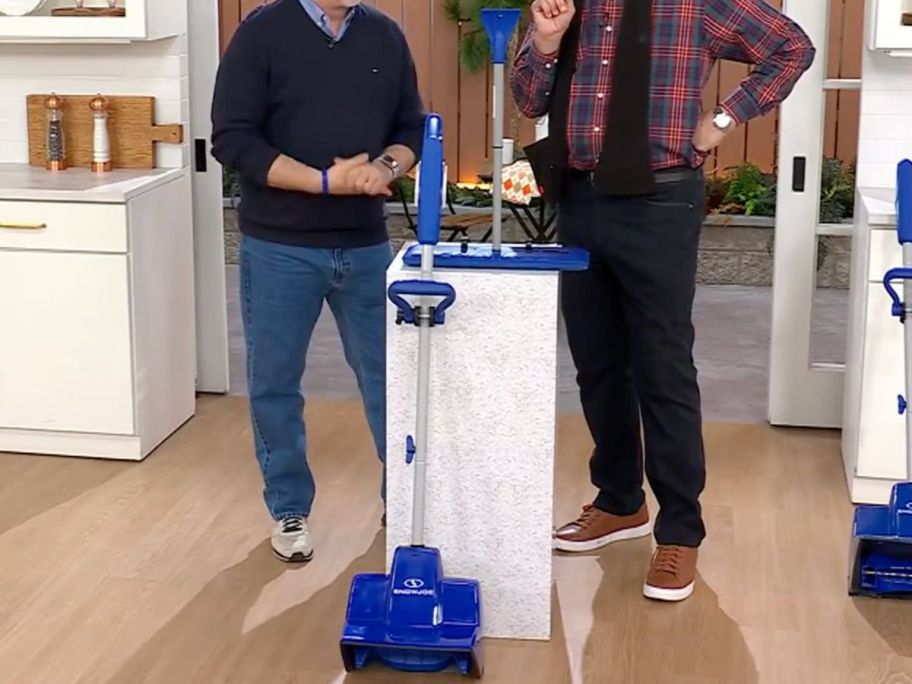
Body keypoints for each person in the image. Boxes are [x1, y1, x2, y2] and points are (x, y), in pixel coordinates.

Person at [511, 0, 814, 601]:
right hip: (580, 199)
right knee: (597, 364)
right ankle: (620, 502)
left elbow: (791, 47)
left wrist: (722, 120)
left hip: (660, 201)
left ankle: (680, 529)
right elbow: (529, 98)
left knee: (662, 367)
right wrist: (545, 42)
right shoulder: (563, 4)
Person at [211, 0, 424, 563]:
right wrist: (324, 182)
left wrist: (383, 169)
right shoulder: (261, 33)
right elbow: (232, 140)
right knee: (275, 382)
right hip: (279, 246)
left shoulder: (385, 36)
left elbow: (409, 131)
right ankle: (288, 507)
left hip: (366, 246)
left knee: (391, 380)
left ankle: (400, 501)